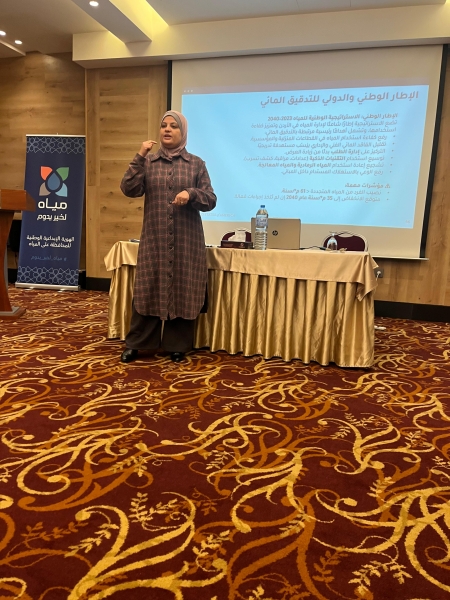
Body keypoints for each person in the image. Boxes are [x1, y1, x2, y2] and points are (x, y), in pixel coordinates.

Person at [119, 110, 217, 363]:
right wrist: (139, 156)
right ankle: (137, 343)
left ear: (183, 133)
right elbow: (129, 189)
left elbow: (210, 200)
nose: (167, 129)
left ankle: (178, 345)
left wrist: (191, 193)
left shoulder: (196, 164)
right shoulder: (149, 162)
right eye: (164, 125)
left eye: (174, 126)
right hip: (155, 240)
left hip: (187, 242)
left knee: (183, 289)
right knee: (148, 288)